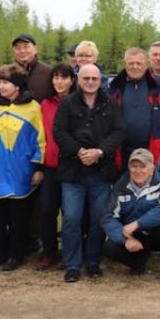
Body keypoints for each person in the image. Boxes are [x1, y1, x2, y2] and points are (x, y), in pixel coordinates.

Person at [0, 64, 46, 272]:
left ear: (18, 86)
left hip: (22, 172)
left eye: (6, 82)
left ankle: (16, 255)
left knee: (19, 218)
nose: (1, 86)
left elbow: (40, 140)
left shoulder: (33, 108)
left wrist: (39, 168)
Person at [54, 64, 125, 283]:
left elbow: (119, 131)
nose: (91, 82)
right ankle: (73, 264)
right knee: (72, 220)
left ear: (100, 80)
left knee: (98, 221)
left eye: (95, 78)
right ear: (78, 79)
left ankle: (93, 262)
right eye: (86, 78)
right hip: (73, 172)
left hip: (100, 173)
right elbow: (59, 132)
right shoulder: (67, 103)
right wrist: (79, 151)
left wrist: (100, 151)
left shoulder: (110, 103)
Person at [102, 148, 160, 283]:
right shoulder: (120, 186)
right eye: (134, 166)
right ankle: (137, 263)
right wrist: (124, 239)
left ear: (151, 168)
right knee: (110, 247)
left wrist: (137, 223)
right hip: (133, 235)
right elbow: (108, 217)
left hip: (156, 232)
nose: (138, 171)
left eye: (142, 166)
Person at [109, 47, 160, 164]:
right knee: (122, 182)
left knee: (155, 181)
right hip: (121, 150)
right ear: (125, 64)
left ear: (146, 64)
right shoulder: (116, 86)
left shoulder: (159, 85)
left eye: (139, 63)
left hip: (153, 149)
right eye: (131, 63)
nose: (135, 67)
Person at [34, 63, 74, 271]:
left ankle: (70, 253)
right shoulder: (45, 105)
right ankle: (49, 252)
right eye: (56, 77)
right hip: (50, 165)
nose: (59, 82)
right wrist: (39, 166)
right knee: (47, 210)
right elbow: (39, 137)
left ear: (72, 80)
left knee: (70, 213)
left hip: (72, 166)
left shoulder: (77, 102)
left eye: (64, 77)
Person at [12, 33, 53, 102]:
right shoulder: (9, 72)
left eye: (26, 47)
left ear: (35, 49)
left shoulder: (48, 72)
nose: (22, 51)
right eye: (18, 48)